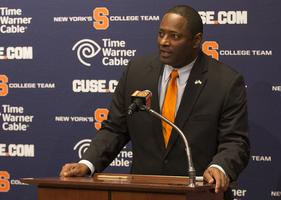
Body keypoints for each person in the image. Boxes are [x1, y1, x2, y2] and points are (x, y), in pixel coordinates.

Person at [60, 5, 250, 199]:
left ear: (196, 40)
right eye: (161, 34)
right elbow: (115, 128)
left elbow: (235, 141)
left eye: (174, 36)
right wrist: (87, 164)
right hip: (143, 193)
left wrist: (220, 167)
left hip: (201, 193)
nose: (163, 42)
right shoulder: (136, 71)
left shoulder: (225, 82)